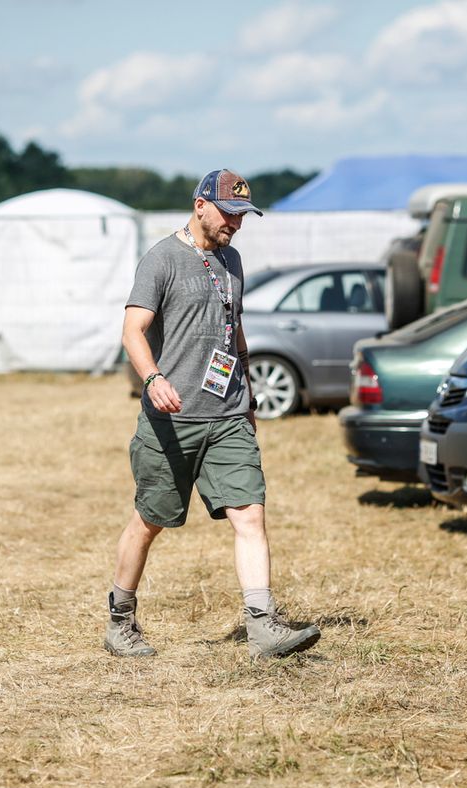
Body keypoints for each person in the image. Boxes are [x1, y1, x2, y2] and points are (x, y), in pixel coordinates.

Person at [106, 169, 321, 659]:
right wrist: (154, 379)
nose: (236, 224)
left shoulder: (233, 261)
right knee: (149, 521)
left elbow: (234, 327)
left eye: (243, 216)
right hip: (171, 422)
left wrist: (247, 389)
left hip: (227, 415)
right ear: (200, 204)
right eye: (230, 213)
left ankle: (263, 626)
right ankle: (120, 621)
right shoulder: (161, 259)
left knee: (250, 513)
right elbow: (132, 331)